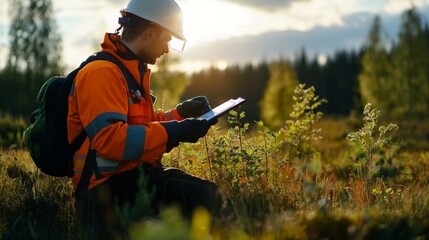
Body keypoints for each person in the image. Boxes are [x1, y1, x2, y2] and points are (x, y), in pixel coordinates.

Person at [68, 0, 221, 237]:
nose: (167, 49)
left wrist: (181, 115)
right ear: (150, 33)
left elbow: (141, 126)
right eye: (167, 39)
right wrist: (176, 131)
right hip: (104, 191)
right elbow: (110, 140)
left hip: (133, 176)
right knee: (204, 200)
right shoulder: (101, 74)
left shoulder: (128, 71)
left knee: (212, 195)